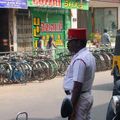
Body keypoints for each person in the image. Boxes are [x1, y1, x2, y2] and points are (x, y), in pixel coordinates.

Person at [63, 28, 96, 120]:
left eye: (70, 41)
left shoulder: (80, 60)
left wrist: (72, 108)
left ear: (78, 42)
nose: (67, 44)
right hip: (85, 95)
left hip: (79, 99)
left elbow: (77, 86)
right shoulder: (88, 55)